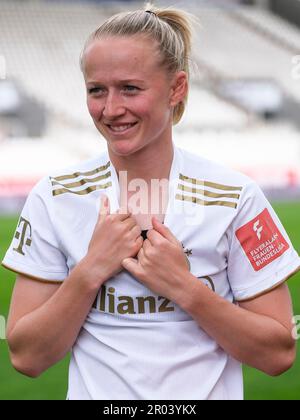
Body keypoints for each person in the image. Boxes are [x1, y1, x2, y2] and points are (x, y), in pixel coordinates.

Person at [2, 3, 300, 401]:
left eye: (130, 88)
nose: (111, 109)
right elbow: (27, 356)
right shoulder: (55, 197)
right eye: (96, 90)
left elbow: (277, 353)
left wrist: (183, 287)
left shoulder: (236, 198)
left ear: (177, 88)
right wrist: (91, 270)